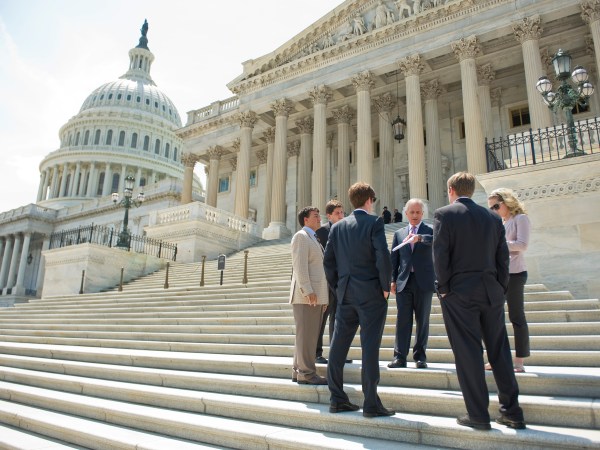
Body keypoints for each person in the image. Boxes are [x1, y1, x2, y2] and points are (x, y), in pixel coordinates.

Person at [433, 172, 525, 430]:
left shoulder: (444, 214)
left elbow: (440, 256)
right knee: (499, 351)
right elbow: (502, 257)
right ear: (472, 190)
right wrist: (500, 286)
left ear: (451, 189)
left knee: (468, 353)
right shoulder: (492, 217)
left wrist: (444, 289)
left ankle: (478, 415)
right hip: (490, 290)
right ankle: (512, 412)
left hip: (460, 292)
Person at [324, 182, 394, 417]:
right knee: (370, 346)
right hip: (371, 294)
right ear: (369, 201)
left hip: (346, 295)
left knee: (338, 346)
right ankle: (371, 404)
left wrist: (338, 288)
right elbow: (382, 255)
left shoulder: (338, 227)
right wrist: (386, 286)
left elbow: (328, 263)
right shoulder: (374, 222)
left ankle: (337, 398)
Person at [487, 188, 531, 373]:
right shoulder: (500, 223)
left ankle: (519, 359)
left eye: (496, 206)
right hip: (498, 275)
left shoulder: (520, 219)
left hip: (515, 273)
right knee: (494, 318)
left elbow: (522, 244)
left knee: (516, 316)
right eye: (491, 208)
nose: (494, 210)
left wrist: (498, 244)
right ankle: (497, 358)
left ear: (507, 202)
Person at [388, 198, 434, 369]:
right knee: (403, 321)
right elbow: (395, 259)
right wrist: (392, 279)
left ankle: (420, 357)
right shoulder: (399, 234)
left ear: (422, 214)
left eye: (418, 212)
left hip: (424, 282)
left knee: (423, 320)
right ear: (406, 213)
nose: (415, 215)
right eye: (412, 212)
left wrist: (419, 238)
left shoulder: (429, 231)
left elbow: (435, 240)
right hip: (404, 282)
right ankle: (399, 356)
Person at [290, 206, 329, 385]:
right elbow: (299, 267)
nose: (319, 218)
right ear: (306, 220)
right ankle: (307, 373)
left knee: (305, 335)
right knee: (308, 336)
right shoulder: (301, 237)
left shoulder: (313, 238)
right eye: (315, 216)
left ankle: (298, 371)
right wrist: (308, 291)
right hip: (306, 296)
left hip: (314, 296)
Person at [315, 200, 350, 364]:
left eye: (342, 212)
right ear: (328, 216)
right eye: (337, 213)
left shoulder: (347, 230)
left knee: (338, 319)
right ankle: (317, 353)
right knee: (321, 319)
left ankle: (337, 354)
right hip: (325, 282)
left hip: (341, 283)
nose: (341, 215)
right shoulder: (322, 232)